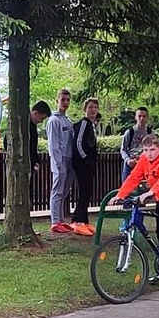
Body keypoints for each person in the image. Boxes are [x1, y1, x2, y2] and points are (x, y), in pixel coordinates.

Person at [111, 133, 159, 273]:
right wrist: (120, 194)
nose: (149, 154)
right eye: (146, 150)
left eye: (152, 150)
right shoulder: (144, 159)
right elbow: (134, 177)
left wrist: (150, 192)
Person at [47, 89, 75, 234]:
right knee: (57, 190)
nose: (65, 102)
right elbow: (53, 144)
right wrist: (58, 163)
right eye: (63, 99)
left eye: (68, 100)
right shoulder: (54, 120)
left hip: (69, 159)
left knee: (64, 191)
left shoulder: (68, 121)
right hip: (60, 160)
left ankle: (61, 219)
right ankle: (54, 221)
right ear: (57, 100)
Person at [70, 98, 100, 236]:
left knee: (88, 191)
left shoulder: (92, 126)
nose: (93, 110)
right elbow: (78, 142)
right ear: (85, 109)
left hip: (89, 164)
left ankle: (83, 219)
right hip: (82, 164)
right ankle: (78, 221)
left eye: (95, 107)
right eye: (90, 107)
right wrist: (85, 159)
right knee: (84, 191)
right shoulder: (84, 123)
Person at [120, 107, 152, 180]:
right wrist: (128, 160)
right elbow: (123, 149)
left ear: (147, 118)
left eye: (144, 116)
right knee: (127, 187)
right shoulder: (129, 132)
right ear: (136, 117)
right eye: (139, 116)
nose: (141, 118)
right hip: (130, 164)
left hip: (145, 164)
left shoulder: (151, 133)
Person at [28, 100, 51, 173]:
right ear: (35, 113)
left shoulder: (33, 126)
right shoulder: (23, 125)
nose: (41, 121)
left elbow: (33, 147)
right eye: (42, 118)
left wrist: (36, 161)